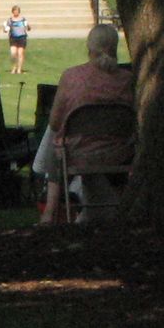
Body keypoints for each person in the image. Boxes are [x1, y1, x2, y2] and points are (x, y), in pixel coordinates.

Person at [33, 23, 133, 224]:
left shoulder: (72, 77)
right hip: (120, 153)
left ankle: (49, 211)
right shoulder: (127, 79)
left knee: (55, 140)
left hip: (78, 153)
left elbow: (54, 122)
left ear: (89, 48)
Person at [4, 4, 30, 74]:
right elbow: (5, 30)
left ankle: (19, 69)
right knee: (13, 53)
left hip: (22, 37)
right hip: (13, 38)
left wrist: (27, 26)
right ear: (12, 11)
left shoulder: (23, 19)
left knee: (20, 53)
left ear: (19, 12)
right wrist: (6, 29)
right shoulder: (10, 20)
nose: (16, 12)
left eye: (17, 11)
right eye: (15, 11)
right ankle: (14, 68)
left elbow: (28, 28)